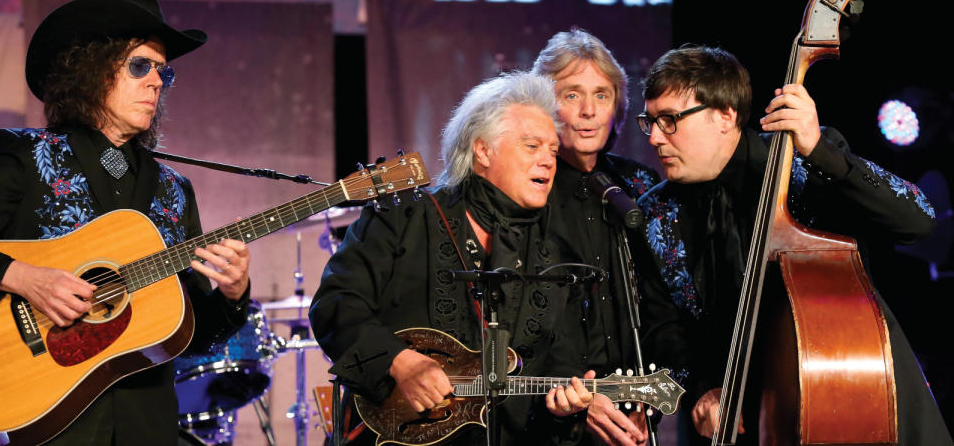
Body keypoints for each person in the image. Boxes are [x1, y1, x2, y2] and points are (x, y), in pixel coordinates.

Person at [633, 45, 951, 444]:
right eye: (650, 122)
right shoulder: (655, 213)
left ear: (725, 115)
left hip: (860, 400)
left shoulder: (802, 164)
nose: (656, 137)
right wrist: (702, 387)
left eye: (670, 120)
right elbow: (664, 325)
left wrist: (821, 152)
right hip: (751, 425)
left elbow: (918, 220)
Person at [0, 0, 251, 445]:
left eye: (163, 72)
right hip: (44, 412)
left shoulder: (174, 191)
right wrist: (22, 277)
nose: (156, 81)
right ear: (91, 72)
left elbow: (188, 335)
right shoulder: (22, 156)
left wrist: (232, 295)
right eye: (140, 66)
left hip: (146, 423)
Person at [310, 72, 592, 445]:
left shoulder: (555, 257)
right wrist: (400, 361)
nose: (548, 161)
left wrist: (564, 410)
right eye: (532, 146)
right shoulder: (403, 215)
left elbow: (561, 372)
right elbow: (335, 305)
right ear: (483, 150)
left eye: (553, 150)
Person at [532, 29, 659, 446]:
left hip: (630, 416)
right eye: (571, 95)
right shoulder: (528, 189)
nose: (589, 111)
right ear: (543, 106)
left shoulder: (638, 185)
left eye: (601, 95)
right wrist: (573, 403)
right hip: (547, 416)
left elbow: (664, 303)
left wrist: (647, 399)